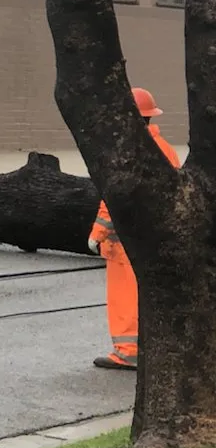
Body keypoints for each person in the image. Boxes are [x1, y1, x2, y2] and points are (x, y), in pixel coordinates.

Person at [87, 86, 181, 370]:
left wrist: (97, 234)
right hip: (157, 236)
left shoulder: (128, 152)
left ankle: (128, 352)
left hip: (126, 240)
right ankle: (153, 349)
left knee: (126, 297)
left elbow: (115, 198)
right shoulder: (165, 150)